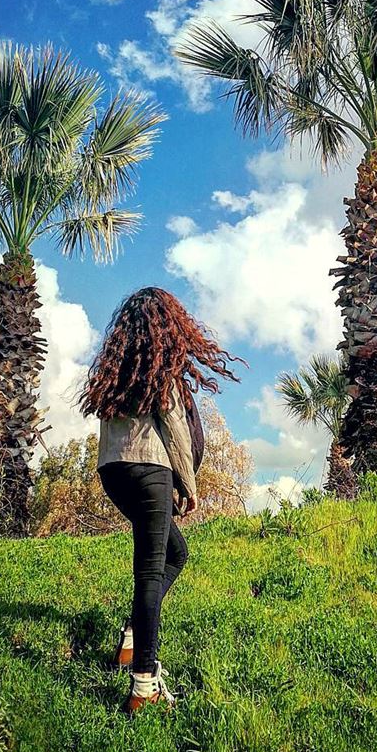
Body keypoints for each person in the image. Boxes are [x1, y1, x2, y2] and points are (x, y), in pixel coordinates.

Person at [80, 287, 243, 713]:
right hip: (151, 472)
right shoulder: (159, 372)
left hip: (112, 473)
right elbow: (175, 430)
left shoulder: (115, 372)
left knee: (175, 552)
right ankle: (144, 685)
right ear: (168, 326)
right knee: (151, 573)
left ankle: (132, 640)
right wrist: (188, 485)